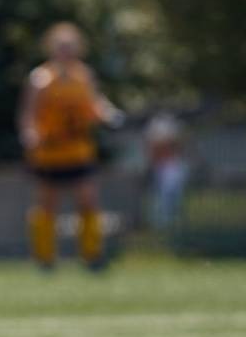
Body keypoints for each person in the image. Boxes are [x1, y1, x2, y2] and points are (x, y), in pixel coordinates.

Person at [19, 23, 122, 270]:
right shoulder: (41, 79)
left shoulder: (84, 76)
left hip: (78, 150)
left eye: (70, 47)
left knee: (87, 201)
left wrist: (109, 115)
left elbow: (95, 105)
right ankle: (44, 258)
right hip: (49, 151)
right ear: (51, 49)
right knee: (47, 204)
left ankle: (91, 256)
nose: (66, 52)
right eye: (61, 47)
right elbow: (29, 114)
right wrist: (30, 135)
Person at [144, 110, 189, 232]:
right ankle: (161, 225)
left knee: (173, 198)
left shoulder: (173, 136)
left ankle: (172, 224)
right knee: (160, 198)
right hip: (160, 168)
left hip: (173, 167)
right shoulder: (155, 135)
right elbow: (152, 149)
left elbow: (177, 146)